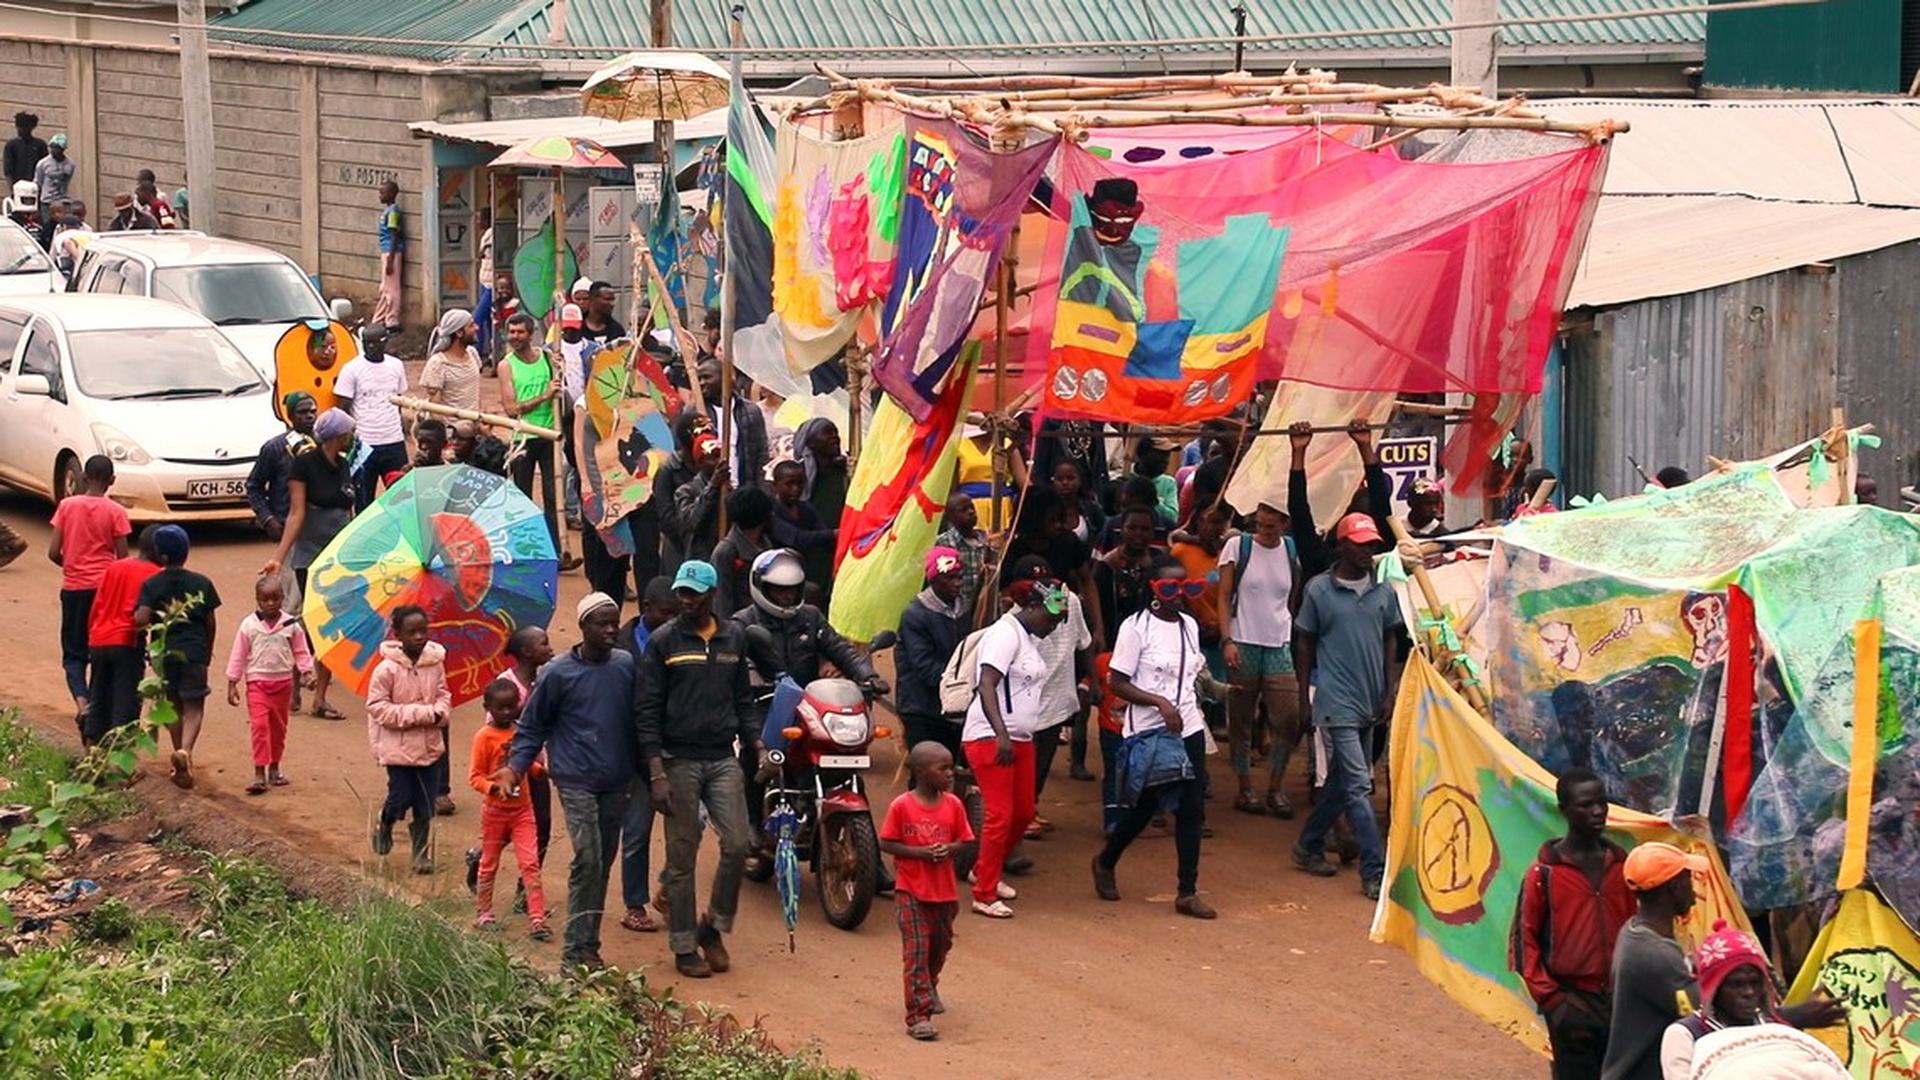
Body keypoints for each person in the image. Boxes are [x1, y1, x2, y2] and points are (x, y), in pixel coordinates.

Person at [1602, 842, 1843, 1080]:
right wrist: (1793, 1015)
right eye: (1689, 879)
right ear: (1675, 887)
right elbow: (1717, 1011)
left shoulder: (1637, 933)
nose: (1694, 887)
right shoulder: (1653, 954)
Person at [496, 593, 638, 970]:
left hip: (616, 778)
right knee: (587, 857)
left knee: (602, 862)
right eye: (602, 623)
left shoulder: (625, 665)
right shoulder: (557, 673)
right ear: (583, 627)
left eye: (614, 622)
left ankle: (589, 946)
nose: (610, 630)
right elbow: (533, 726)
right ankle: (574, 953)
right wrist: (515, 767)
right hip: (575, 778)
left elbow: (640, 719)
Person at [633, 560, 761, 978]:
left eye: (693, 594)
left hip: (723, 756)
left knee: (738, 843)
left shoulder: (733, 637)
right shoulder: (663, 642)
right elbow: (647, 709)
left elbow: (743, 699)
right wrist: (656, 772)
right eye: (681, 594)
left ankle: (714, 927)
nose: (685, 601)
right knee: (682, 856)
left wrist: (758, 744)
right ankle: (684, 946)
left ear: (712, 595)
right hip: (678, 759)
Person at [733, 548, 885, 863]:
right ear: (761, 587)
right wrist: (752, 677)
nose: (787, 596)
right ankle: (752, 821)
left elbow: (840, 649)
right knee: (756, 750)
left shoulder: (810, 617)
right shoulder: (744, 622)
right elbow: (737, 658)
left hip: (808, 701)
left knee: (845, 761)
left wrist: (868, 675)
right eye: (779, 590)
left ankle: (871, 856)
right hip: (764, 701)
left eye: (792, 590)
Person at [1093, 557, 1217, 919]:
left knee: (1191, 805)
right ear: (1153, 589)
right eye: (1169, 588)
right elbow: (1117, 682)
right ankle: (1106, 860)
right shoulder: (1136, 628)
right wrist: (1159, 703)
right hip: (1150, 730)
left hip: (1188, 725)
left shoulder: (1189, 625)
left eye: (1186, 587)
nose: (1179, 595)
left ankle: (1187, 891)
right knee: (1146, 806)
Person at [1290, 512, 1402, 900]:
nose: (1368, 551)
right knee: (1357, 786)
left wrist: (1388, 691)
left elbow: (1389, 640)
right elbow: (1304, 643)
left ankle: (1308, 844)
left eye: (1372, 545)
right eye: (1360, 544)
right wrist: (1303, 697)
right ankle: (1375, 871)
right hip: (1335, 700)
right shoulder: (1319, 590)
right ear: (1341, 546)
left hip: (1370, 699)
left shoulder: (1383, 592)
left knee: (1340, 781)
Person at [1516, 768, 1633, 1080]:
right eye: (1585, 805)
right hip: (1572, 1003)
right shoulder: (1543, 874)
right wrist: (1554, 1001)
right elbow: (1524, 944)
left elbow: (1636, 929)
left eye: (1602, 802)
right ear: (1564, 810)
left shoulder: (1622, 866)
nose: (1597, 811)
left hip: (1620, 1003)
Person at [962, 573, 1066, 918]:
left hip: (1021, 739)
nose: (1052, 627)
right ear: (1032, 607)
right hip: (991, 737)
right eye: (1050, 620)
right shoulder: (1004, 634)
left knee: (1023, 814)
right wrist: (1001, 734)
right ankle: (984, 894)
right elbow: (986, 684)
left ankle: (984, 869)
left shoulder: (1028, 638)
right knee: (1000, 816)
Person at [260, 408, 357, 720]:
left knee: (332, 628)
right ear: (337, 436)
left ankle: (320, 698)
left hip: (339, 558)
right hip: (311, 558)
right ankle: (294, 682)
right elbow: (296, 513)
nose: (352, 438)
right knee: (311, 624)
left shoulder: (343, 464)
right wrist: (279, 557)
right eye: (348, 433)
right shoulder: (304, 465)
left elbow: (349, 511)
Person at [879, 741, 977, 1041]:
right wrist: (919, 853)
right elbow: (886, 842)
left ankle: (930, 983)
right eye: (942, 768)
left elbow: (967, 841)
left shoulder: (954, 805)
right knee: (917, 950)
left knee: (939, 946)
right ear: (921, 772)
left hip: (945, 892)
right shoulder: (902, 806)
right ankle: (918, 1015)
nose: (950, 773)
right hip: (910, 891)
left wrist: (949, 849)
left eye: (951, 767)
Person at [1658, 921, 1842, 1080]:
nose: (1749, 992)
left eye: (1755, 982)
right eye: (1736, 984)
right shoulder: (1685, 1034)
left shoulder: (1774, 1031)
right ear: (1714, 988)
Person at [1216, 500, 1303, 817]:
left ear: (1284, 524)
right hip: (1243, 641)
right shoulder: (1237, 547)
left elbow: (1292, 597)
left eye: (1271, 525)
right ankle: (1244, 787)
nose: (1265, 530)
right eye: (1261, 524)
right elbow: (1223, 595)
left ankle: (1275, 786)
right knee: (1241, 720)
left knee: (1289, 718)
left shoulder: (1291, 549)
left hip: (1278, 642)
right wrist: (1227, 639)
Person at [1005, 556, 1093, 841]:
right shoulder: (1012, 620)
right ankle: (1018, 815)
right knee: (1023, 762)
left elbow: (1084, 642)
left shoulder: (1070, 602)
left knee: (1043, 760)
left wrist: (1090, 680)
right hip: (1025, 702)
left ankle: (1030, 808)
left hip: (1058, 697)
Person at [132, 525, 220, 790]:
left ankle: (177, 758)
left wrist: (139, 616)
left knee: (173, 706)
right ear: (186, 552)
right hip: (194, 651)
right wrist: (207, 651)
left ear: (161, 555)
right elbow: (210, 621)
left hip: (166, 653)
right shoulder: (201, 582)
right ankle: (185, 751)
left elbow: (141, 619)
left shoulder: (152, 584)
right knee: (194, 707)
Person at [366, 606, 450, 875]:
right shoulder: (386, 670)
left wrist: (440, 713)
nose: (419, 637)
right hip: (398, 749)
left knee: (426, 801)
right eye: (412, 632)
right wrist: (420, 714)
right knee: (399, 797)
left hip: (429, 747)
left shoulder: (435, 664)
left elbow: (443, 695)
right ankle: (386, 823)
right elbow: (377, 707)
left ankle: (421, 851)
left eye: (423, 631)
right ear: (397, 634)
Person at [49, 454, 130, 733]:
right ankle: (96, 708)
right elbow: (122, 559)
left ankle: (82, 704)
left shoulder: (67, 506)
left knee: (73, 654)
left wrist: (72, 566)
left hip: (74, 588)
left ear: (83, 477)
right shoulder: (116, 512)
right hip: (104, 591)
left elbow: (53, 552)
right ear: (112, 480)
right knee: (99, 650)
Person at [614, 579, 676, 935]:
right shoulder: (621, 647)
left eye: (675, 614)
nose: (671, 620)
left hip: (674, 750)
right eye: (665, 613)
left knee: (694, 824)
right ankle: (634, 905)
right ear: (646, 607)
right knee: (637, 831)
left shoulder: (682, 641)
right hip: (634, 755)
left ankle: (668, 887)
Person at [469, 678, 551, 941]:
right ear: (488, 708)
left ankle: (537, 918)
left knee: (530, 863)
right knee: (489, 863)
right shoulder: (483, 737)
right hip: (495, 812)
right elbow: (475, 777)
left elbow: (526, 764)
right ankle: (484, 912)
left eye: (511, 706)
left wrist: (539, 772)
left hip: (522, 810)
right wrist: (493, 788)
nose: (506, 712)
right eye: (500, 708)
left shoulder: (521, 734)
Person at [223, 575, 315, 796]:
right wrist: (232, 682)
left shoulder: (291, 625)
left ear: (283, 598)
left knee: (278, 729)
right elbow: (238, 654)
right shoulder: (249, 625)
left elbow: (301, 651)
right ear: (257, 600)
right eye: (265, 599)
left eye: (275, 598)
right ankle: (259, 772)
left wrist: (307, 672)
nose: (271, 603)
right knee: (260, 727)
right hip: (257, 684)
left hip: (283, 684)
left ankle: (274, 768)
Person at [488, 626, 556, 916]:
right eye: (544, 643)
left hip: (537, 771)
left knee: (542, 829)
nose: (550, 648)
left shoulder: (547, 679)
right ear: (527, 652)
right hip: (511, 772)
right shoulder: (505, 684)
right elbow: (492, 728)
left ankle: (525, 891)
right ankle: (480, 861)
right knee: (506, 831)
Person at [82, 525, 161, 747]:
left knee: (98, 697)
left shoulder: (114, 567)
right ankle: (118, 761)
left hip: (99, 639)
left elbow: (97, 605)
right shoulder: (156, 574)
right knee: (125, 704)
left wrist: (92, 635)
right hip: (127, 641)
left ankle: (91, 756)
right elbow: (155, 618)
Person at [896, 548, 970, 770]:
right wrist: (963, 684)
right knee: (926, 772)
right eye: (950, 578)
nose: (957, 584)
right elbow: (924, 666)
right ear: (934, 580)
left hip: (953, 708)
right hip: (922, 709)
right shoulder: (915, 615)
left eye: (959, 577)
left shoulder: (966, 609)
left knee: (949, 770)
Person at [498, 313, 564, 550]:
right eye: (511, 332)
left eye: (520, 332)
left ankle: (556, 548)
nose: (515, 337)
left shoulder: (547, 358)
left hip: (549, 436)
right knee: (522, 497)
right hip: (523, 438)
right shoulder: (506, 366)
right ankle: (524, 548)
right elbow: (511, 409)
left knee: (553, 495)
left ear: (531, 334)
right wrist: (544, 396)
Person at [333, 325, 409, 509]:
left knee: (401, 499)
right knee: (363, 502)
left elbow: (398, 401)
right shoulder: (351, 369)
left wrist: (400, 429)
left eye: (375, 343)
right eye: (367, 343)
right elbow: (343, 409)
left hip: (394, 442)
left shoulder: (396, 366)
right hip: (364, 444)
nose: (370, 347)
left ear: (385, 342)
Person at [246, 392, 319, 542]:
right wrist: (268, 519)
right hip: (287, 527)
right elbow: (254, 486)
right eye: (302, 412)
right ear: (290, 416)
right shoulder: (274, 448)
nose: (309, 416)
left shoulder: (325, 444)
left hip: (319, 526)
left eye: (313, 411)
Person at [657, 410, 724, 570]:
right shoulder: (669, 470)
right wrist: (690, 538)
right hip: (680, 547)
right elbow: (667, 518)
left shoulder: (718, 473)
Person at [695, 355, 770, 496]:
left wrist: (762, 490)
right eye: (699, 379)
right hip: (710, 493)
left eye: (707, 377)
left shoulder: (750, 411)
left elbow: (761, 453)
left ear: (725, 378)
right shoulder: (695, 413)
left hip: (744, 491)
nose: (702, 383)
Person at [794, 418, 849, 596]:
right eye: (827, 432)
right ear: (810, 442)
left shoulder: (844, 473)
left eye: (835, 432)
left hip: (840, 546)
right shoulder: (797, 476)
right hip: (811, 549)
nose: (834, 437)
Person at [767, 460, 834, 594]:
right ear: (775, 486)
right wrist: (835, 533)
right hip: (775, 573)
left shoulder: (805, 508)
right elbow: (797, 538)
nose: (795, 489)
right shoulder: (771, 512)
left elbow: (825, 538)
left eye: (800, 483)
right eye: (789, 484)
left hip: (801, 572)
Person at [710, 484, 774, 619]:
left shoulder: (766, 545)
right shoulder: (726, 552)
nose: (773, 516)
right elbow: (721, 603)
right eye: (770, 513)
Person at [934, 493, 991, 629]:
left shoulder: (987, 539)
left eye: (972, 508)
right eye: (963, 510)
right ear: (950, 516)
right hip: (957, 614)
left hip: (986, 610)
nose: (971, 512)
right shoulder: (943, 543)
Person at [421, 309, 484, 413]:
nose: (477, 328)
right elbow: (434, 407)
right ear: (459, 333)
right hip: (450, 423)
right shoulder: (438, 363)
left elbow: (476, 393)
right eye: (471, 326)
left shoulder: (472, 354)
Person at [372, 180, 403, 333]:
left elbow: (394, 235)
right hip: (387, 251)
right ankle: (379, 319)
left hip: (392, 252)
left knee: (391, 289)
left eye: (382, 192)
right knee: (385, 288)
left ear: (391, 194)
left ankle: (392, 321)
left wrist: (390, 258)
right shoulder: (388, 211)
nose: (380, 195)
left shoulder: (393, 212)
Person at [1052, 460, 1106, 547]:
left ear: (1080, 481)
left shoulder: (1092, 510)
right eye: (1060, 479)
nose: (1065, 482)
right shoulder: (1047, 512)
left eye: (1070, 478)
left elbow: (1104, 538)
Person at [5, 112, 45, 187]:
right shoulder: (11, 145)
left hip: (34, 186)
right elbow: (8, 170)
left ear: (30, 128)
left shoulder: (40, 145)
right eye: (18, 127)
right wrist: (12, 187)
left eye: (22, 127)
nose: (19, 130)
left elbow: (44, 168)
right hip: (18, 186)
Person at [32, 133, 73, 206]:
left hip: (63, 200)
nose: (53, 150)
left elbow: (68, 180)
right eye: (51, 147)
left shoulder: (70, 164)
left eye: (56, 147)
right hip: (47, 201)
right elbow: (38, 182)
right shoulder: (43, 163)